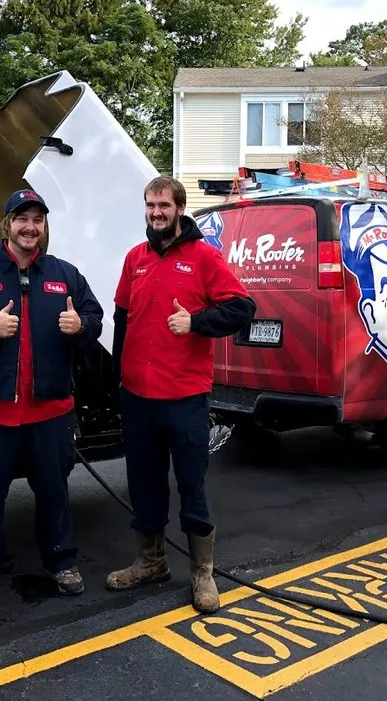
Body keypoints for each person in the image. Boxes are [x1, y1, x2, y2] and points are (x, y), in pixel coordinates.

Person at [0, 188, 104, 611]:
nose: (30, 227)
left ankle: (62, 563)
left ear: (44, 227)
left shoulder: (64, 274)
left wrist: (81, 326)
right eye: (22, 218)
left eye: (37, 220)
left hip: (50, 412)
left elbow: (95, 318)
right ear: (7, 224)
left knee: (54, 492)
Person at [106, 176, 256, 613]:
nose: (156, 213)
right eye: (150, 205)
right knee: (143, 481)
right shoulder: (135, 258)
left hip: (185, 396)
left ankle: (202, 572)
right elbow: (121, 318)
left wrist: (196, 322)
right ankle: (150, 561)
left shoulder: (204, 257)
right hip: (138, 396)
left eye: (164, 206)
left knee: (191, 482)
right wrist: (118, 374)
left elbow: (242, 308)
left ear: (180, 209)